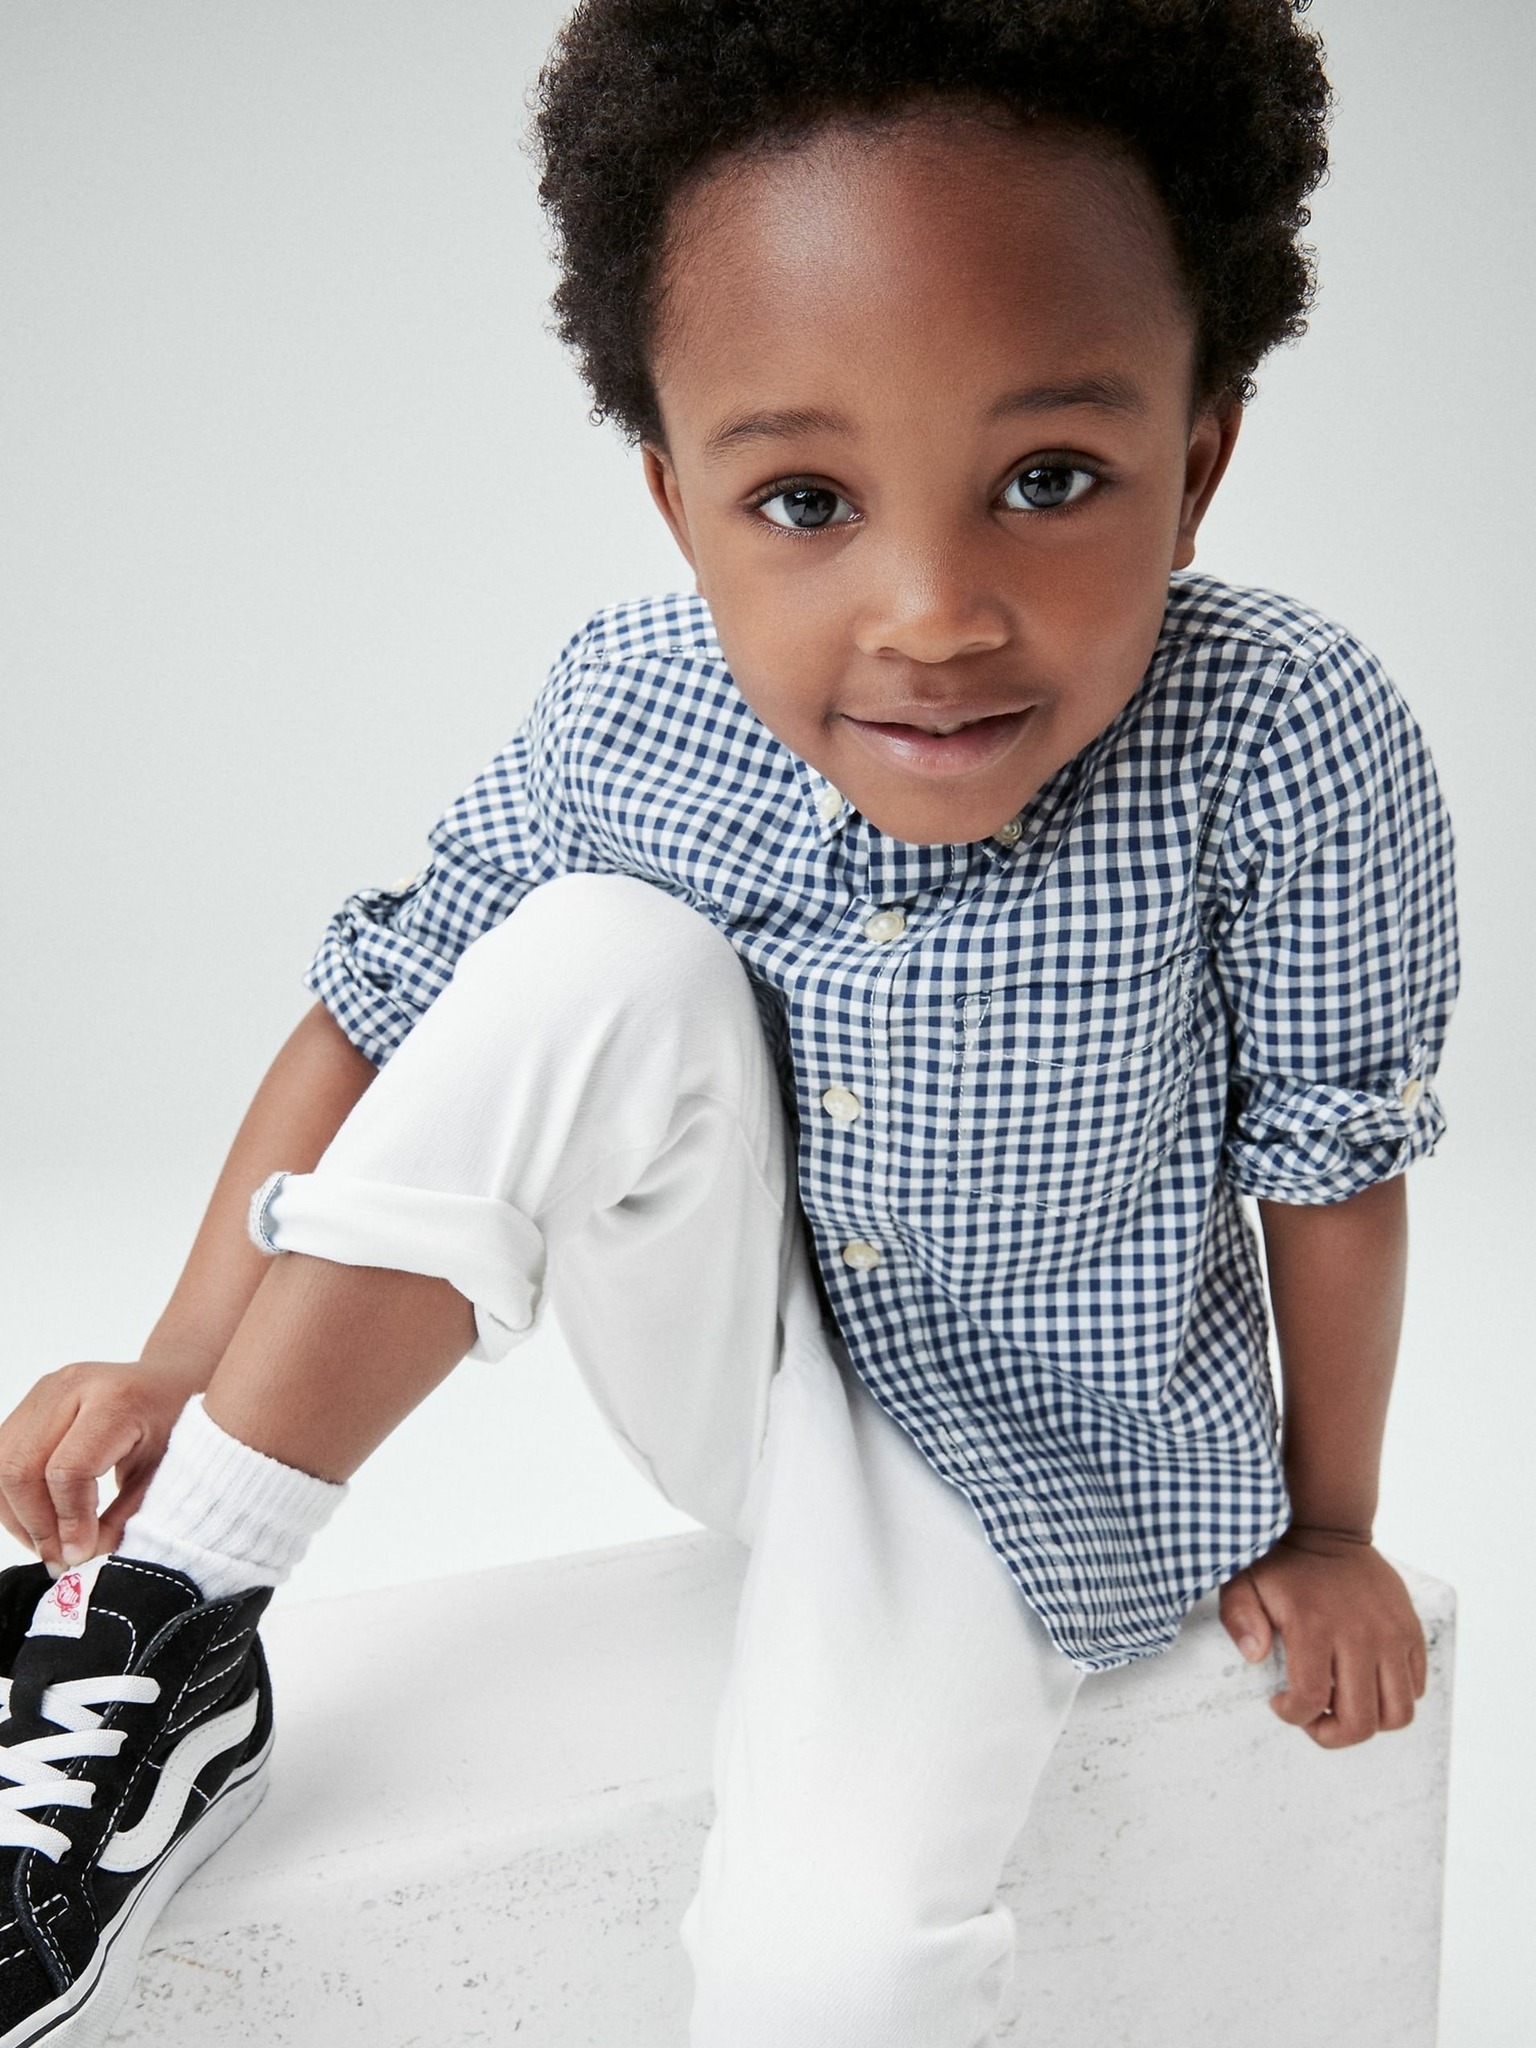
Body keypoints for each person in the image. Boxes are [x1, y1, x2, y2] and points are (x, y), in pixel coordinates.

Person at [0, 1, 1459, 2042]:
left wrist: (1332, 1524)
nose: (934, 610)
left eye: (1049, 478)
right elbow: (381, 1011)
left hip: (1035, 1461)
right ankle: (172, 1614)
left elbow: (1332, 1153)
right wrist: (178, 1358)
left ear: (1198, 461)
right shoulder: (632, 703)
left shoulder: (1285, 735)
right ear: (680, 502)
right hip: (726, 1333)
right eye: (804, 502)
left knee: (823, 1955)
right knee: (593, 952)